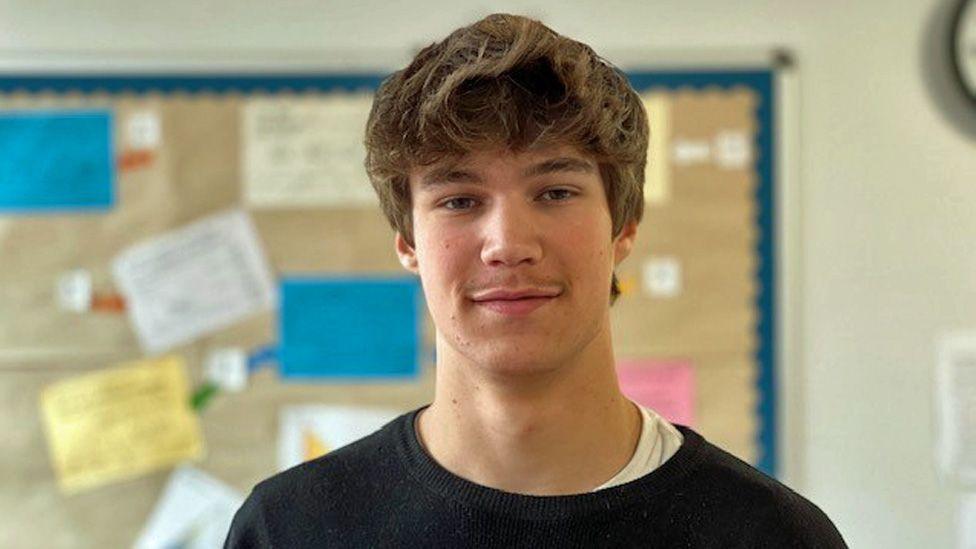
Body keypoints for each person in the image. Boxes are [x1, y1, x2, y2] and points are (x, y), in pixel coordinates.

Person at [225, 13, 846, 548]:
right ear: (409, 242)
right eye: (460, 200)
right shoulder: (291, 529)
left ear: (624, 226)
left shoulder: (770, 535)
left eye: (555, 191)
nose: (509, 245)